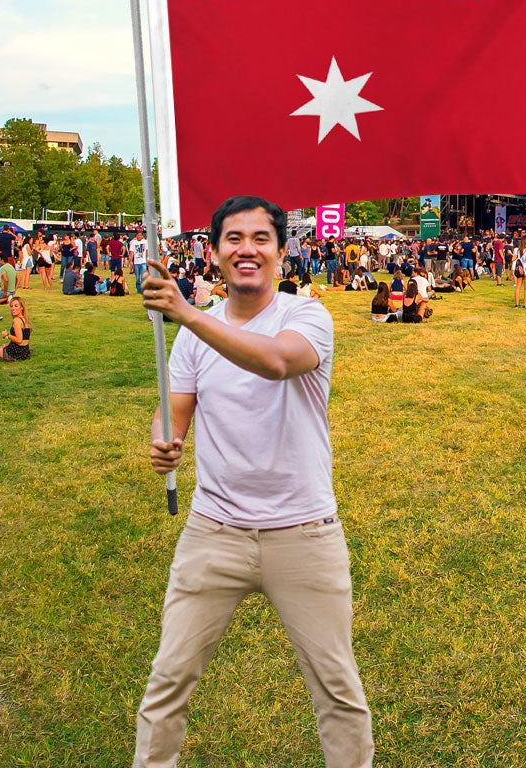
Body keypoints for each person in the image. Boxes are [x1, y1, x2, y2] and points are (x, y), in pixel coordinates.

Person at [135, 195, 373, 768]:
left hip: (304, 532)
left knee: (337, 692)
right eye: (233, 238)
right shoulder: (196, 334)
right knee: (167, 683)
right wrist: (163, 439)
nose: (247, 249)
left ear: (282, 252)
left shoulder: (306, 316)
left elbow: (276, 362)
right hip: (213, 531)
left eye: (260, 238)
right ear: (215, 251)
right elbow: (177, 408)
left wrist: (187, 313)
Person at [0, 296, 32, 363]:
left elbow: (19, 340)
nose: (13, 308)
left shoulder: (17, 321)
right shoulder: (25, 320)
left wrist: (7, 335)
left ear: (22, 307)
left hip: (13, 353)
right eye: (11, 306)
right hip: (25, 353)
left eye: (16, 306)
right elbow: (24, 339)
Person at [513, 236, 526, 309]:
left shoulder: (518, 250)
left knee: (518, 287)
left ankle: (517, 304)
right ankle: (525, 304)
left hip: (519, 270)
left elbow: (513, 259)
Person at [130, 229, 149, 294]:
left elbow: (147, 251)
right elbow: (132, 252)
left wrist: (147, 259)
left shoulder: (145, 242)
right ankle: (139, 288)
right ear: (136, 236)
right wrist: (131, 260)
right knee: (137, 277)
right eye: (138, 235)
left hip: (143, 261)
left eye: (141, 235)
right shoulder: (133, 242)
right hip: (136, 262)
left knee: (143, 276)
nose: (139, 236)